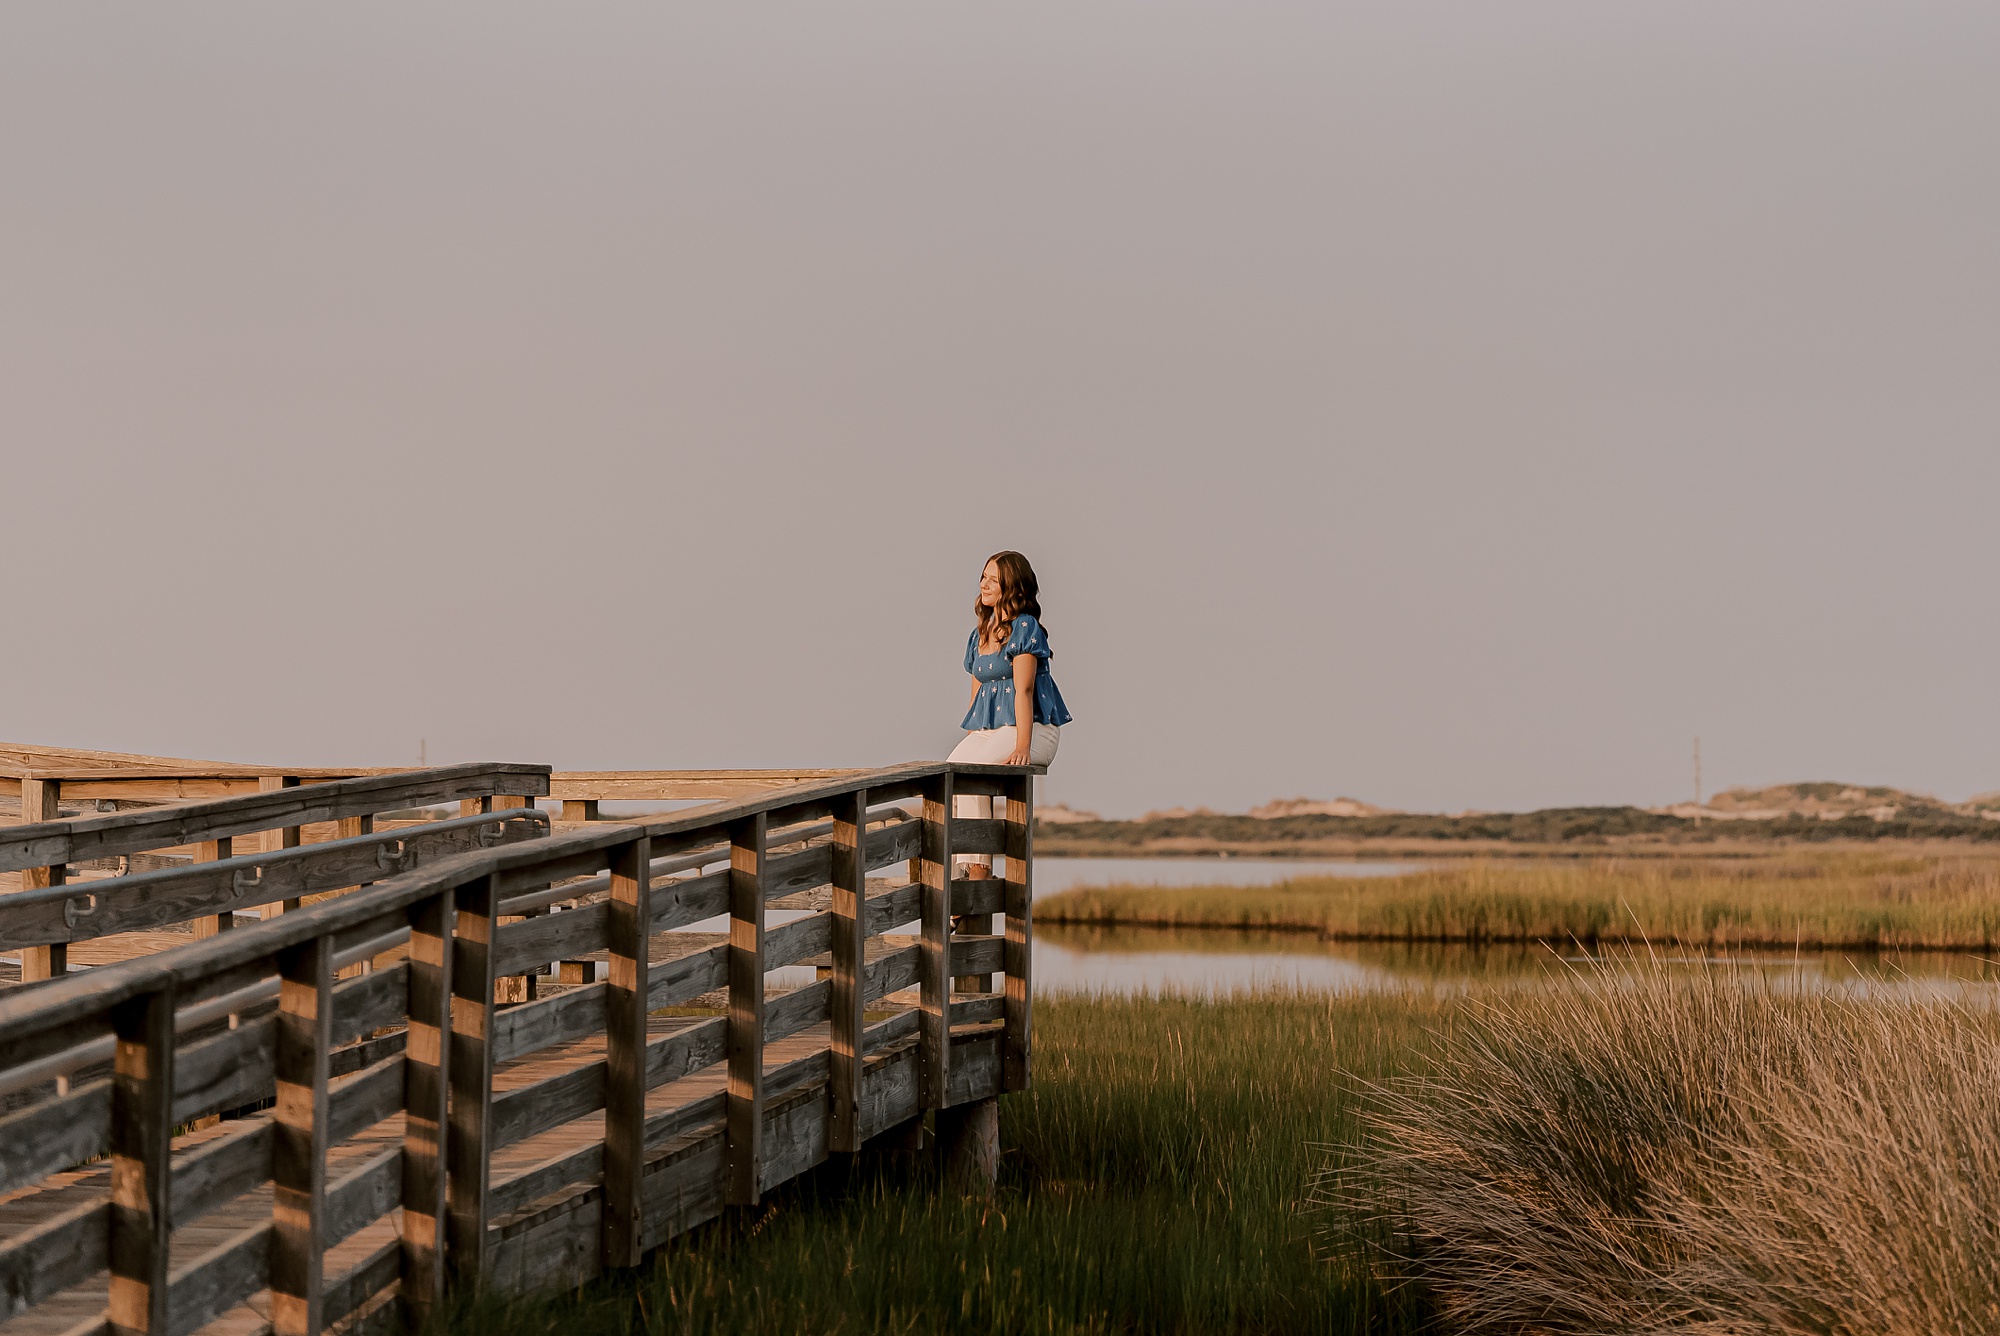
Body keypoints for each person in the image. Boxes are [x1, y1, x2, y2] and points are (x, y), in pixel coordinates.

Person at [948, 550, 1071, 883]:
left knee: (970, 774)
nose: (984, 585)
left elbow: (1025, 692)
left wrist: (1022, 747)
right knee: (948, 774)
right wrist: (973, 737)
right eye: (983, 577)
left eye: (993, 580)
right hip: (992, 728)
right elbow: (975, 696)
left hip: (1032, 729)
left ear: (1012, 586)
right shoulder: (979, 635)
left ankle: (978, 872)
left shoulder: (1025, 627)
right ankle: (963, 868)